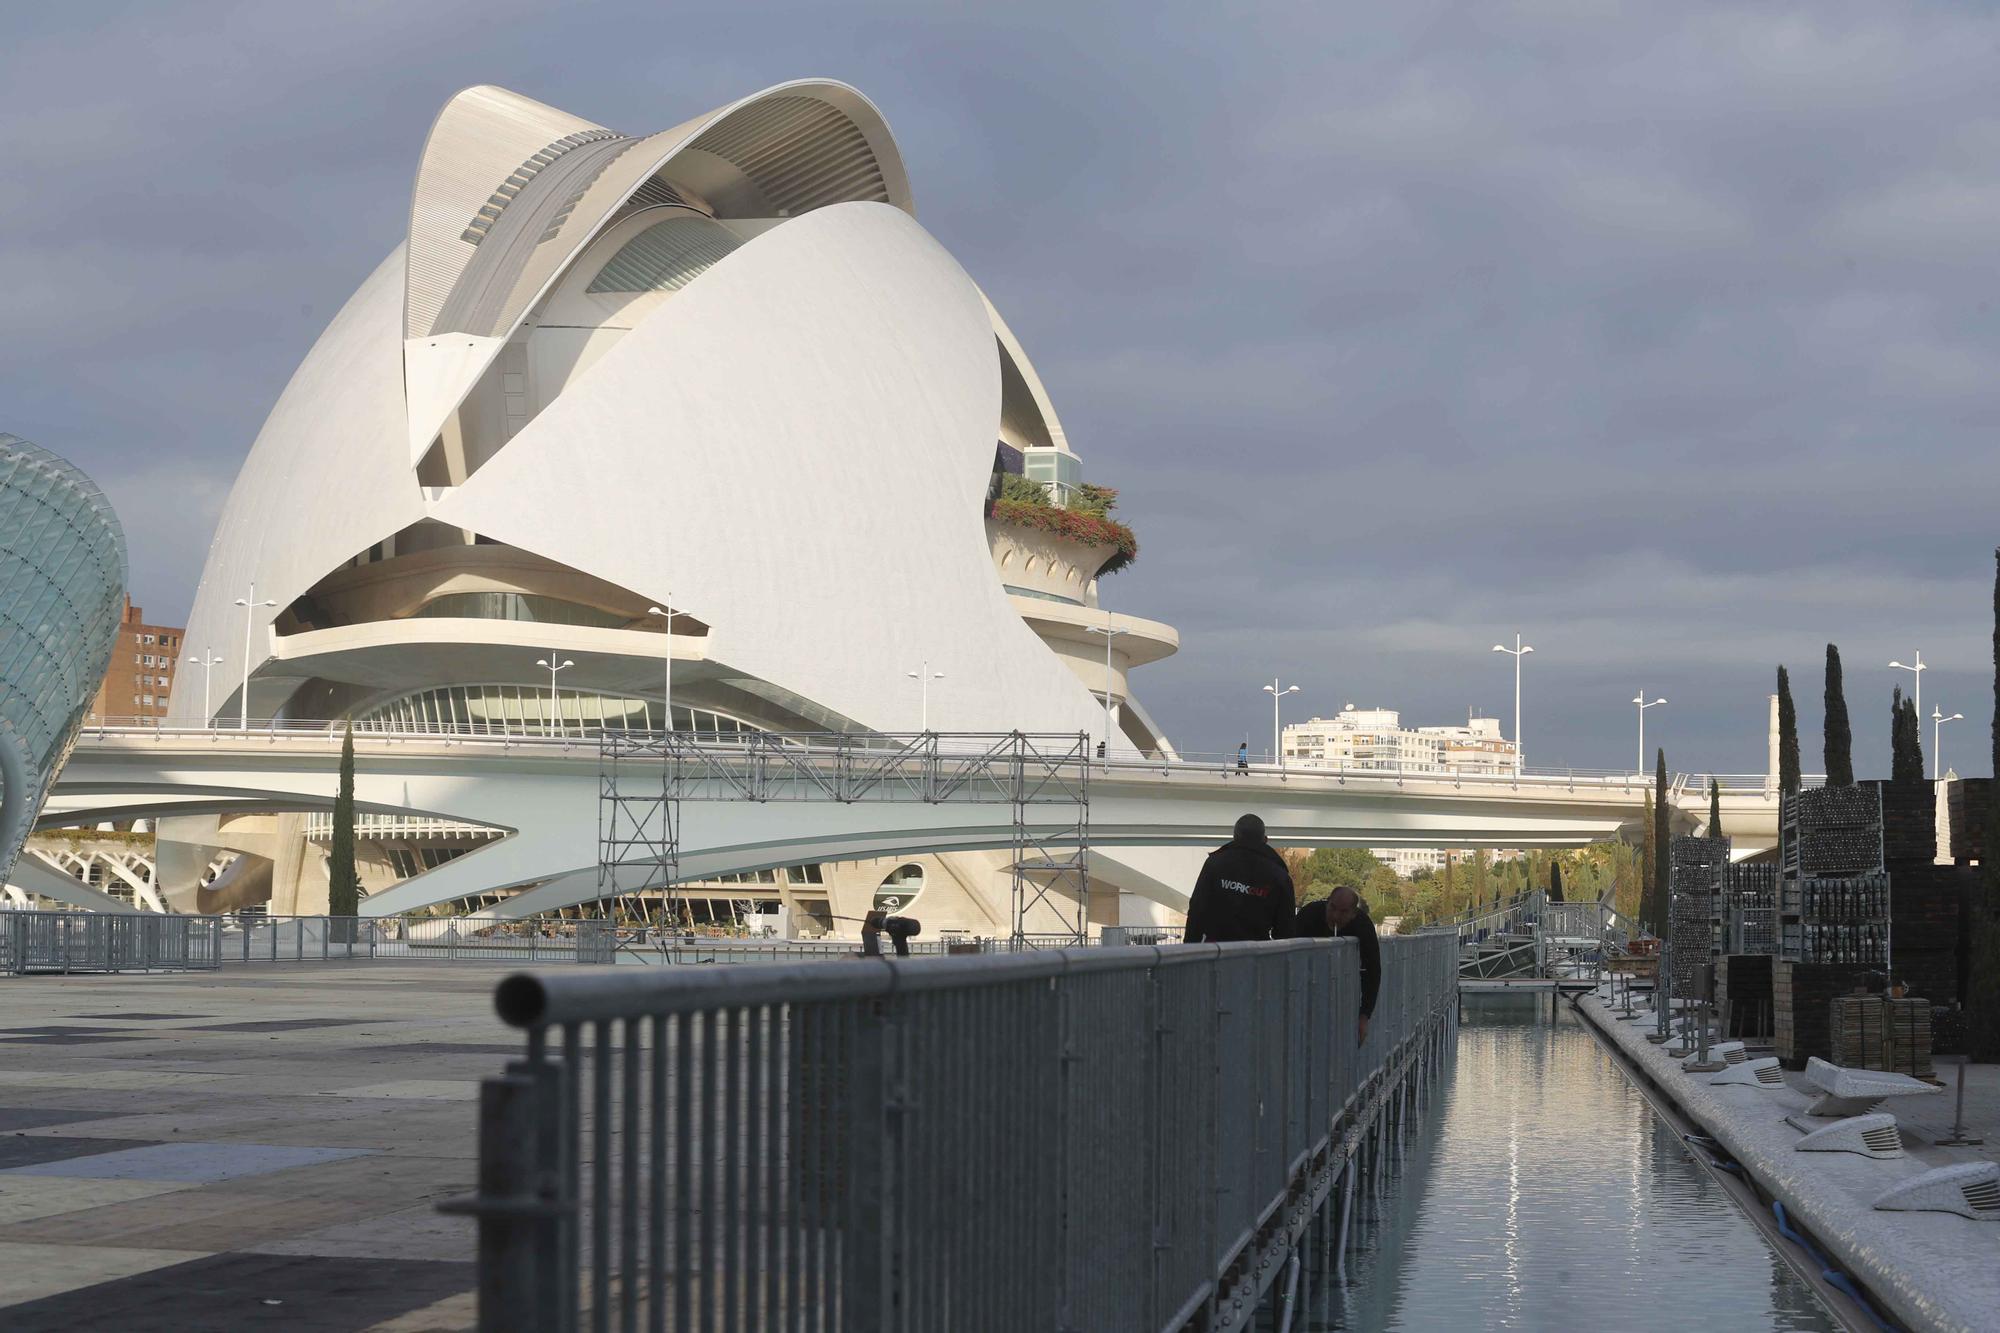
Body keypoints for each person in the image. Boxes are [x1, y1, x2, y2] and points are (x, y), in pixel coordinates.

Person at [1183, 814, 1296, 943]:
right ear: (1265, 840)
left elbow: (1197, 911)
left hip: (1217, 953)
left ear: (1235, 836)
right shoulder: (1279, 876)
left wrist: (1189, 948)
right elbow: (1286, 931)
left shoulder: (1215, 864)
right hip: (1256, 955)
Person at [1295, 885, 1381, 1044]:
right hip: (1307, 989)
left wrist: (1364, 1015)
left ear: (1353, 913)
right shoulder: (1309, 914)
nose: (1335, 916)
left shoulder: (1362, 924)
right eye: (1332, 908)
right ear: (1327, 903)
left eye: (1343, 912)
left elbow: (1373, 970)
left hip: (1341, 994)